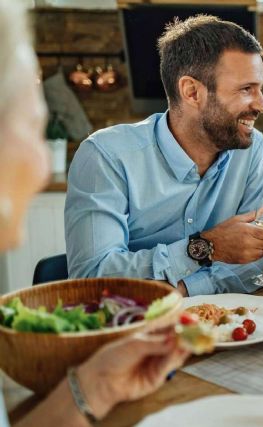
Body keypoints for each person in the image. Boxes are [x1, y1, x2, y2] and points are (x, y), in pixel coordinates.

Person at [0, 1, 189, 426]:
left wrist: (98, 385)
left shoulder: (251, 155)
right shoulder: (107, 153)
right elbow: (94, 274)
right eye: (34, 123)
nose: (41, 154)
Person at [65, 15, 263, 297]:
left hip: (228, 328)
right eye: (246, 89)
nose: (261, 105)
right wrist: (206, 248)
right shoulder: (106, 157)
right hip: (131, 329)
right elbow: (91, 277)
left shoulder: (251, 148)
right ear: (192, 92)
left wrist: (184, 289)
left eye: (260, 89)